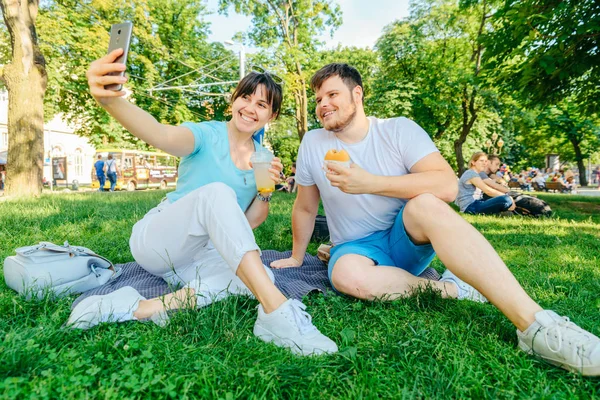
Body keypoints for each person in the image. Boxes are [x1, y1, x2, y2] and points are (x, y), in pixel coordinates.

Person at [271, 63, 600, 376]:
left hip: (405, 235)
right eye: (317, 99)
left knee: (425, 204)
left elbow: (445, 185)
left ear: (357, 94)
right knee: (345, 276)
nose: (322, 104)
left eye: (332, 95)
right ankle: (451, 288)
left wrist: (371, 183)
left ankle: (537, 326)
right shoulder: (312, 143)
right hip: (354, 248)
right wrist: (297, 257)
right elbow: (303, 206)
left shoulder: (397, 130)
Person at [68, 49, 337, 356]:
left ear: (271, 115)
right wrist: (111, 101)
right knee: (217, 193)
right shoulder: (205, 135)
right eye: (245, 98)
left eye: (261, 104)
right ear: (233, 101)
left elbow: (245, 224)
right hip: (160, 241)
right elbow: (160, 134)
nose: (250, 108)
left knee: (258, 278)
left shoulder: (261, 156)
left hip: (203, 252)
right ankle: (277, 312)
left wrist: (265, 190)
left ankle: (139, 306)